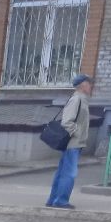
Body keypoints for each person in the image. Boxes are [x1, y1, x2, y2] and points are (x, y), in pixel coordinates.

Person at [46, 74, 93, 210]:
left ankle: (53, 200)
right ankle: (61, 201)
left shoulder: (82, 99)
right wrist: (77, 134)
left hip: (74, 143)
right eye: (89, 84)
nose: (91, 86)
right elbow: (67, 121)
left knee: (62, 172)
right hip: (73, 143)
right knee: (69, 173)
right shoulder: (77, 99)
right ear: (83, 85)